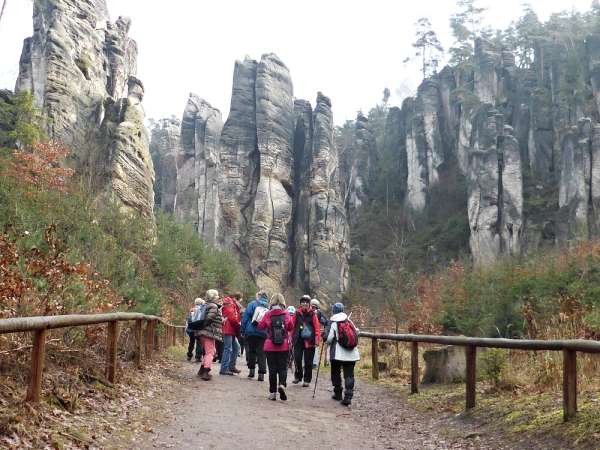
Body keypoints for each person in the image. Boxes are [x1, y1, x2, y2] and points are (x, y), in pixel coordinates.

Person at [258, 293, 294, 401]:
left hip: (270, 346)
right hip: (283, 345)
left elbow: (261, 326)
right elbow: (290, 326)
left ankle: (272, 393)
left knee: (272, 369)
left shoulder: (268, 314)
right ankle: (282, 384)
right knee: (283, 368)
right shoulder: (286, 313)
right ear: (283, 302)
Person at [327, 302, 360, 406]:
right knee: (349, 375)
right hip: (352, 353)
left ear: (334, 311)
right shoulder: (349, 321)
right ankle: (348, 397)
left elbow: (329, 339)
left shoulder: (333, 323)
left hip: (338, 354)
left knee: (336, 373)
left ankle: (338, 394)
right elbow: (357, 332)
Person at [291, 295, 321, 387]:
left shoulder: (313, 314)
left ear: (309, 304)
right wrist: (290, 337)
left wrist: (317, 340)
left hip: (309, 341)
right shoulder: (297, 313)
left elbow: (317, 328)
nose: (304, 303)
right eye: (303, 302)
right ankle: (298, 376)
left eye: (306, 302)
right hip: (298, 340)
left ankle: (307, 379)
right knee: (297, 359)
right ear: (300, 303)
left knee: (308, 362)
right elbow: (292, 325)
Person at [241, 290, 269, 381]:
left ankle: (251, 371)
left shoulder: (252, 304)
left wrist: (242, 330)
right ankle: (261, 374)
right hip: (263, 332)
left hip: (251, 331)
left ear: (259, 296)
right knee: (262, 353)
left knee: (252, 351)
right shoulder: (269, 306)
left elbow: (245, 318)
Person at [196, 289, 223, 381]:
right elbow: (210, 318)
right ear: (214, 297)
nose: (218, 297)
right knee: (210, 353)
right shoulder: (214, 306)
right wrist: (205, 327)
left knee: (211, 351)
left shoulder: (205, 305)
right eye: (217, 295)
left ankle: (201, 370)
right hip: (208, 332)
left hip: (203, 332)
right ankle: (205, 373)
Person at [220, 292, 242, 375]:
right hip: (228, 329)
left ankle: (231, 366)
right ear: (236, 298)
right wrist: (238, 325)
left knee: (236, 347)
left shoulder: (231, 304)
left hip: (230, 329)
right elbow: (232, 318)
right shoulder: (230, 303)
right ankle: (224, 369)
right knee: (228, 348)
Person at [311, 298, 329, 368]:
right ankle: (314, 364)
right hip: (316, 333)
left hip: (307, 333)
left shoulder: (307, 310)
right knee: (315, 348)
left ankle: (306, 363)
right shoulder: (318, 313)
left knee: (306, 348)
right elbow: (325, 322)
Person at [186, 298, 204, 362]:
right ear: (201, 303)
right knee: (199, 342)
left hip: (191, 329)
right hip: (198, 328)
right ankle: (198, 357)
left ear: (195, 303)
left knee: (191, 342)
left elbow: (188, 320)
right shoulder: (202, 310)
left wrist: (187, 329)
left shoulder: (191, 310)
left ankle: (189, 355)